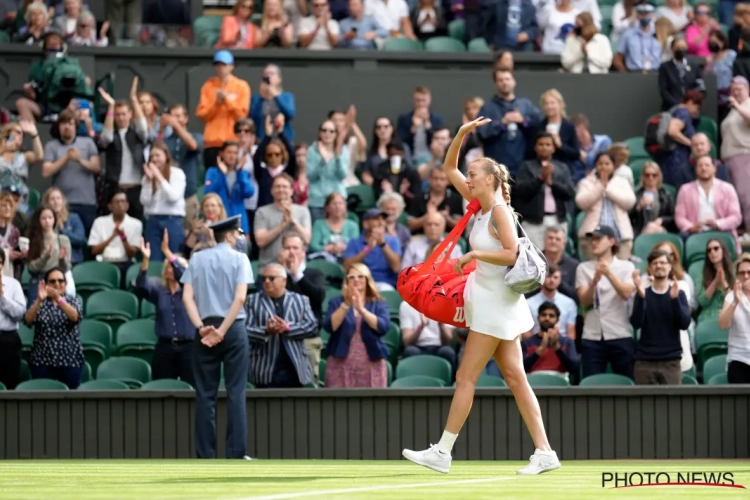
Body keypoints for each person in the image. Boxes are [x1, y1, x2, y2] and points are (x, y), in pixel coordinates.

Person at [402, 117, 560, 475]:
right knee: (516, 379)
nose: (468, 177)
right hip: (492, 301)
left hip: (495, 305)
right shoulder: (479, 205)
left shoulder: (500, 212)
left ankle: (442, 452)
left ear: (489, 179)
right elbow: (447, 167)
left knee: (466, 378)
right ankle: (545, 451)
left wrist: (473, 256)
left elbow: (510, 253)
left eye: (474, 173)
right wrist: (460, 134)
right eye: (469, 173)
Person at [180, 215, 254, 459]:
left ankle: (205, 455)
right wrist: (222, 330)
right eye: (239, 233)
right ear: (231, 235)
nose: (240, 237)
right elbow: (240, 298)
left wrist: (202, 327)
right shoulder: (240, 258)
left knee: (205, 395)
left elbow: (186, 298)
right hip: (232, 328)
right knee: (236, 392)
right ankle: (235, 454)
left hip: (205, 329)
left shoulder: (197, 258)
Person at [136, 233, 194, 387]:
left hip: (189, 347)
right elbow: (141, 287)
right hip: (165, 347)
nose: (170, 268)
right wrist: (145, 260)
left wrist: (168, 253)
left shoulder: (191, 291)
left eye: (173, 265)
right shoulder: (159, 290)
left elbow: (185, 276)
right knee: (161, 386)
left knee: (192, 388)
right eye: (167, 265)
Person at [323, 262, 390, 388]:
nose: (356, 280)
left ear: (367, 279)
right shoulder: (336, 302)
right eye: (351, 277)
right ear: (346, 281)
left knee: (373, 405)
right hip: (340, 363)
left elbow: (383, 327)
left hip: (371, 362)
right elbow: (330, 327)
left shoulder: (379, 303)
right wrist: (346, 304)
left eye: (360, 276)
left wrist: (362, 310)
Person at [631, 250, 691, 385]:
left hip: (671, 362)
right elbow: (636, 323)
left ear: (670, 266)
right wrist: (641, 297)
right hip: (645, 361)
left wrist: (674, 300)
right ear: (650, 268)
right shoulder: (643, 294)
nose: (659, 266)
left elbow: (684, 324)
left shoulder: (679, 294)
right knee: (643, 405)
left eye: (663, 262)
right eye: (655, 263)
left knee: (673, 405)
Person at [23, 267, 84, 389]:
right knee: (42, 402)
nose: (57, 284)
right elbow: (27, 320)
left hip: (69, 359)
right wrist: (39, 300)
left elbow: (75, 317)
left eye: (60, 281)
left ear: (65, 284)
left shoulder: (73, 301)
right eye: (52, 281)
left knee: (71, 402)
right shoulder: (39, 303)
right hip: (42, 360)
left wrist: (59, 299)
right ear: (46, 284)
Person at [718, 253, 750, 384]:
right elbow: (723, 324)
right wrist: (735, 301)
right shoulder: (731, 297)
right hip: (739, 358)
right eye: (742, 273)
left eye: (749, 272)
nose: (746, 276)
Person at [0, 250, 27, 390]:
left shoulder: (13, 284)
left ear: (2, 264)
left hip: (8, 340)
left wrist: (2, 297)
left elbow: (20, 314)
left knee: (10, 384)